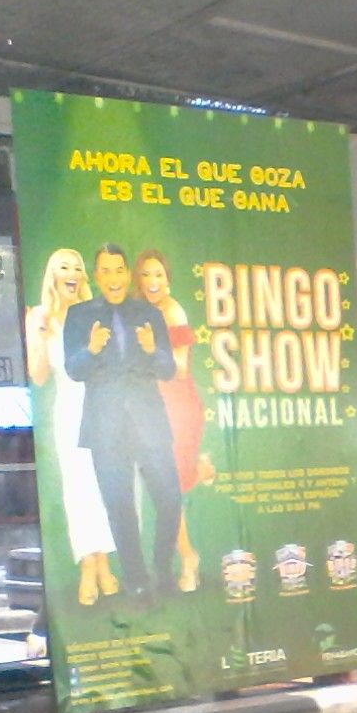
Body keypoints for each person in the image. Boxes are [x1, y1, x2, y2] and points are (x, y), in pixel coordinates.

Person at [62, 243, 181, 599]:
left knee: (170, 500)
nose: (113, 278)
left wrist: (152, 349)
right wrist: (92, 349)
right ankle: (137, 581)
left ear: (127, 274)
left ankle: (163, 569)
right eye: (105, 271)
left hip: (149, 424)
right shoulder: (79, 315)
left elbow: (168, 369)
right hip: (106, 428)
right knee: (120, 509)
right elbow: (73, 370)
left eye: (119, 270)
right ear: (96, 276)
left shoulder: (149, 313)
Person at [24, 248, 118, 606]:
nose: (72, 273)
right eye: (64, 267)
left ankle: (104, 562)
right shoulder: (40, 317)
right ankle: (88, 566)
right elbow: (39, 376)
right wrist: (39, 337)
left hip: (101, 407)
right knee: (78, 490)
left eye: (77, 268)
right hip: (68, 410)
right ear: (53, 275)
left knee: (103, 486)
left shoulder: (94, 314)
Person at [135, 248, 212, 592]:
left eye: (159, 275)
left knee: (169, 488)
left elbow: (178, 368)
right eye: (146, 275)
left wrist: (148, 351)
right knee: (166, 487)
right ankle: (201, 469)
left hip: (178, 407)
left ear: (168, 278)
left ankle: (188, 559)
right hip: (151, 408)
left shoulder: (173, 311)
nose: (153, 282)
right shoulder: (140, 311)